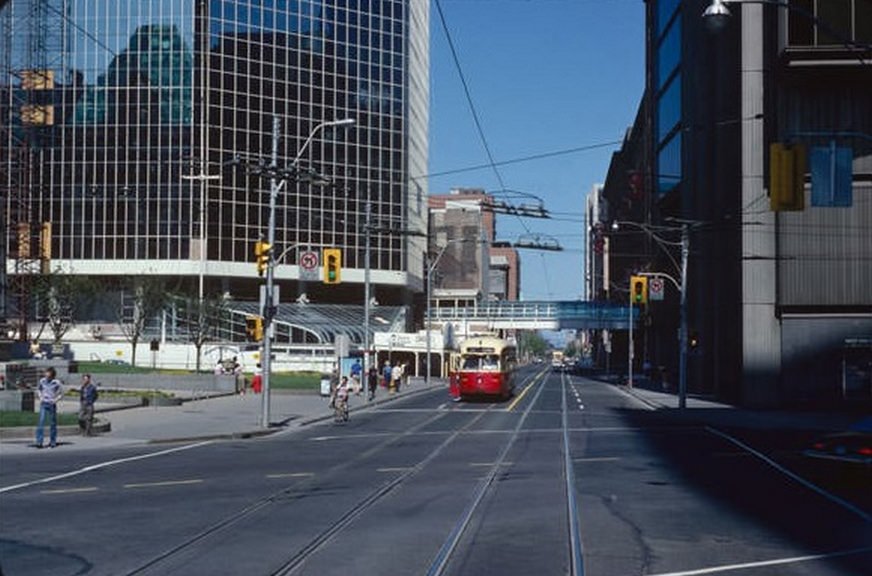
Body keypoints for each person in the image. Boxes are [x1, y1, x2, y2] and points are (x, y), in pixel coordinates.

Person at [35, 367, 63, 448]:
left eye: (48, 374)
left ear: (52, 375)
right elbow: (39, 389)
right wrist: (40, 397)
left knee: (52, 423)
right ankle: (39, 441)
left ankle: (53, 441)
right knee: (41, 422)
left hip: (51, 403)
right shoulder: (42, 381)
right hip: (44, 403)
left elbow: (61, 393)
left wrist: (55, 400)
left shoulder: (56, 382)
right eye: (46, 373)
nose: (47, 375)